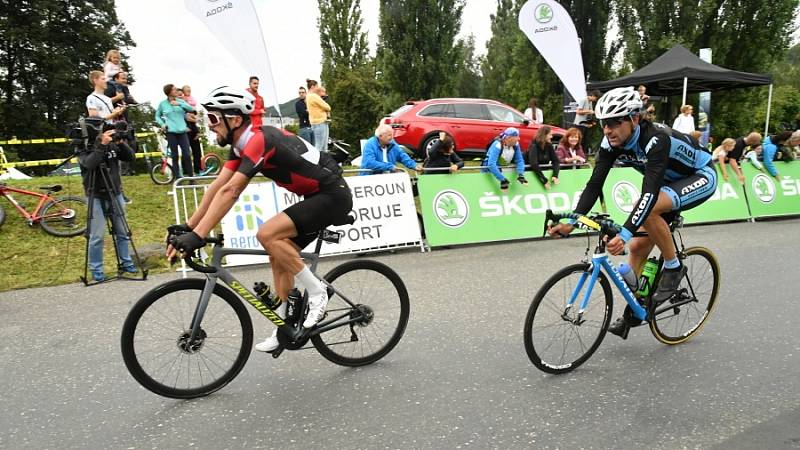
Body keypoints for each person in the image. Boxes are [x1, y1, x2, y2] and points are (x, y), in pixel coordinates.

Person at [167, 86, 353, 353]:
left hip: (332, 195)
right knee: (278, 254)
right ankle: (287, 326)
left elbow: (232, 191)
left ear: (234, 119)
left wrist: (198, 236)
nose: (209, 126)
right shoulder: (240, 146)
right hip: (317, 196)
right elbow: (218, 187)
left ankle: (317, 292)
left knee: (267, 234)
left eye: (213, 119)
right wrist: (189, 226)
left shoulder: (259, 140)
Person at [548, 87, 717, 339]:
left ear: (634, 118)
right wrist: (573, 221)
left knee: (646, 210)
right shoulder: (609, 143)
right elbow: (595, 184)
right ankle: (638, 310)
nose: (608, 130)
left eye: (616, 122)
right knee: (637, 249)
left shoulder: (656, 138)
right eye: (605, 123)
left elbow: (648, 195)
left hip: (700, 176)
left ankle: (674, 266)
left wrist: (624, 234)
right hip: (665, 187)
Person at [78, 122, 137, 282]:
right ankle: (97, 270)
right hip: (95, 195)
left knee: (123, 232)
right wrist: (101, 145)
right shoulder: (84, 147)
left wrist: (120, 144)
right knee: (96, 236)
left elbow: (131, 157)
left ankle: (126, 263)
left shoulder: (113, 145)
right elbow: (90, 163)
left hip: (115, 193)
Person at [155, 84, 195, 177]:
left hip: (182, 132)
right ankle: (177, 178)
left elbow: (191, 109)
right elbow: (157, 116)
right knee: (175, 156)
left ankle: (191, 178)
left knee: (187, 155)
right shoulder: (162, 104)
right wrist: (162, 124)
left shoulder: (180, 101)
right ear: (169, 92)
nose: (176, 90)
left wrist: (180, 104)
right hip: (171, 133)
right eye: (174, 89)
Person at [306, 79, 331, 153]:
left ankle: (322, 163)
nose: (318, 88)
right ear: (313, 86)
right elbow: (327, 107)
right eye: (317, 86)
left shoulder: (308, 96)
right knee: (320, 145)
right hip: (319, 122)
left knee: (322, 145)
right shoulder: (313, 96)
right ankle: (316, 163)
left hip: (317, 122)